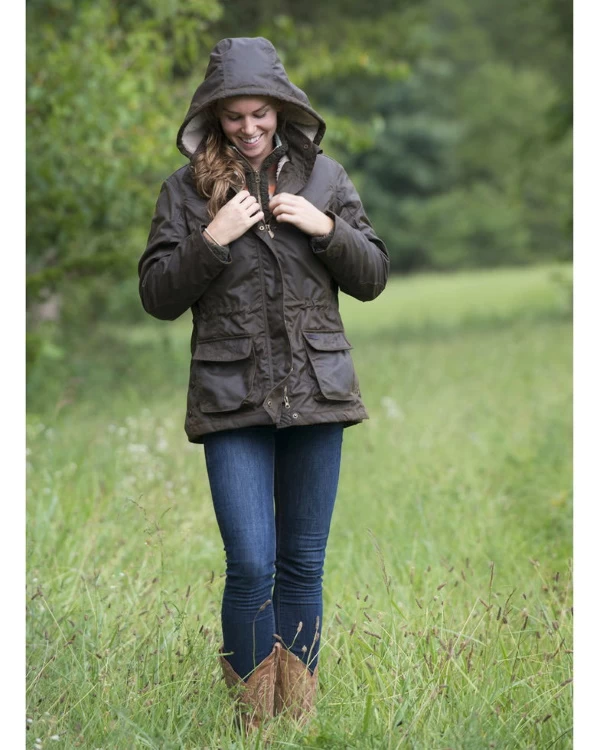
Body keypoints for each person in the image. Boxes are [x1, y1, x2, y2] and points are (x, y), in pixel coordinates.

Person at [138, 36, 389, 731]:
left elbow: (372, 275)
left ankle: (296, 725)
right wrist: (212, 239)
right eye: (233, 117)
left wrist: (326, 227)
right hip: (232, 399)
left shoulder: (326, 178)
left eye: (260, 114)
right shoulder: (184, 192)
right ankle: (252, 727)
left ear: (281, 108)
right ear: (213, 117)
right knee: (251, 564)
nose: (248, 129)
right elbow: (157, 295)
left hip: (316, 393)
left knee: (303, 565)